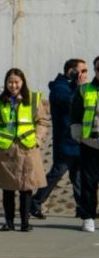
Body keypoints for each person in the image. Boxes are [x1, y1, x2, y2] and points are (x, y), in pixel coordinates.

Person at [0, 68, 49, 233]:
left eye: (16, 82)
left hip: (27, 148)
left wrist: (37, 140)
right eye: (10, 82)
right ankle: (9, 223)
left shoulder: (33, 99)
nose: (13, 85)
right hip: (6, 149)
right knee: (7, 188)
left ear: (22, 82)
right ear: (5, 83)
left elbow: (42, 122)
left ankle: (25, 223)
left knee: (26, 187)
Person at [32, 58, 86, 220]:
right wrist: (79, 87)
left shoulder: (70, 86)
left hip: (76, 139)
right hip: (65, 140)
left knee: (77, 175)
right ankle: (35, 202)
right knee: (57, 173)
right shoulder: (59, 88)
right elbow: (71, 103)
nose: (85, 74)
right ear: (71, 71)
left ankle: (82, 207)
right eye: (82, 70)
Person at [71, 57, 99, 232]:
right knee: (89, 182)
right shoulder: (84, 89)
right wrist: (77, 133)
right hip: (90, 143)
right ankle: (88, 217)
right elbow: (75, 112)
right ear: (95, 70)